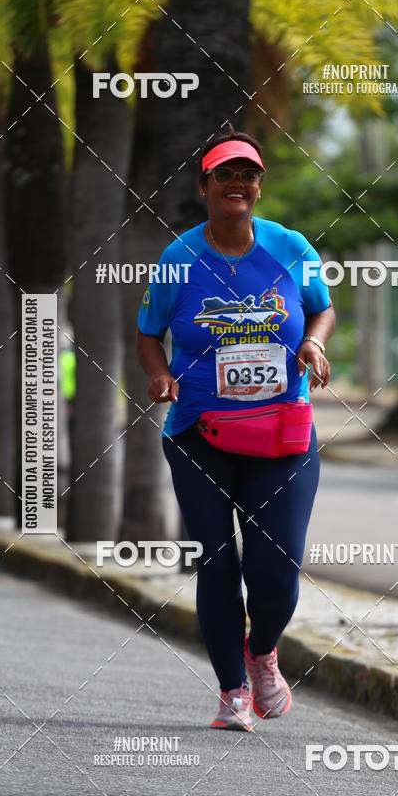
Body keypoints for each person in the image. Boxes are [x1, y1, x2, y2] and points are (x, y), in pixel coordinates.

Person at [136, 124, 335, 730]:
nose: (237, 183)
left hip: (281, 432)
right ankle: (232, 694)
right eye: (225, 173)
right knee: (217, 563)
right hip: (199, 432)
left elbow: (321, 309)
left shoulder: (291, 248)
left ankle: (263, 651)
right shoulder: (179, 258)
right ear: (205, 186)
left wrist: (313, 345)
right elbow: (148, 334)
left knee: (276, 570)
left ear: (258, 186)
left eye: (247, 173)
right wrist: (162, 375)